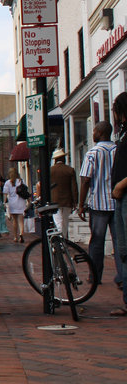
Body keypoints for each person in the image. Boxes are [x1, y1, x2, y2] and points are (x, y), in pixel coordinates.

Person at [78, 120, 117, 287]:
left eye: (94, 131)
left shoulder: (92, 153)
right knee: (120, 241)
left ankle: (95, 276)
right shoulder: (118, 150)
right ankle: (123, 278)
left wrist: (81, 204)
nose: (92, 134)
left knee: (97, 242)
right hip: (117, 202)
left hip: (99, 204)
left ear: (100, 133)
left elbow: (86, 180)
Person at [110, 92, 127, 316]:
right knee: (122, 249)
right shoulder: (123, 134)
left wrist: (121, 184)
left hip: (124, 195)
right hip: (120, 199)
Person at [49, 148, 78, 239]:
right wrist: (75, 201)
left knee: (58, 221)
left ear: (55, 160)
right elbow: (74, 187)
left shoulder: (50, 171)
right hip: (67, 201)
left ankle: (60, 241)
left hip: (54, 200)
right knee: (65, 222)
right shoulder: (69, 170)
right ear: (63, 159)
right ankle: (63, 240)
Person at [4, 167, 28, 243]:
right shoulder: (21, 181)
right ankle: (21, 234)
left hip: (12, 203)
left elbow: (5, 194)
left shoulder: (8, 183)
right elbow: (25, 190)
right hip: (21, 202)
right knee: (21, 220)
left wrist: (4, 203)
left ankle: (15, 237)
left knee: (14, 221)